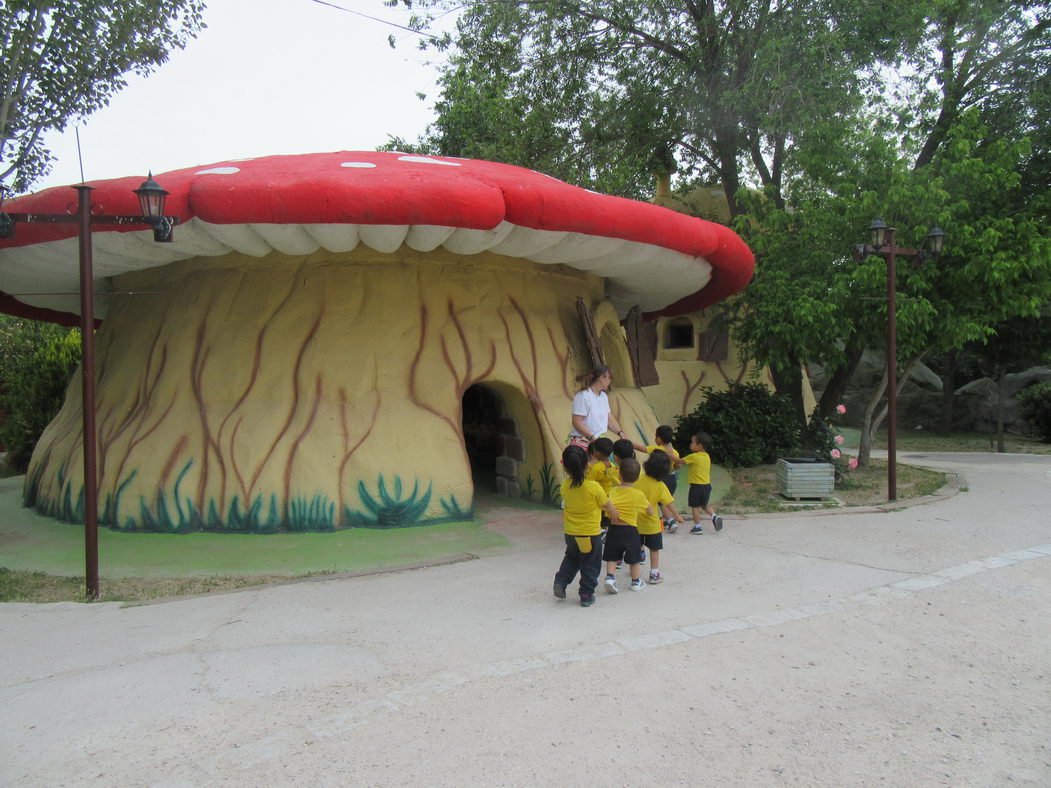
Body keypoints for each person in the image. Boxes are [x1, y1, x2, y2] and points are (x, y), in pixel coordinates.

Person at [554, 444, 619, 607]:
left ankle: (561, 582)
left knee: (571, 557)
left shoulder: (565, 486)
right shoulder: (594, 487)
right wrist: (615, 514)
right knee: (590, 562)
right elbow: (607, 505)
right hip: (590, 534)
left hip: (570, 533)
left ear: (566, 468)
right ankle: (586, 593)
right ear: (586, 465)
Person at [601, 458, 652, 593]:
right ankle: (635, 582)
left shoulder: (613, 491)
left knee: (612, 555)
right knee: (634, 557)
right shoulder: (638, 494)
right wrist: (649, 512)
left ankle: (610, 578)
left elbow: (607, 504)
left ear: (619, 476)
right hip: (630, 529)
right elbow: (649, 510)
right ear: (637, 479)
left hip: (614, 528)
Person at [633, 450, 685, 585]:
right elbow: (669, 503)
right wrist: (677, 516)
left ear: (647, 464)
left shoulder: (638, 479)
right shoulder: (661, 486)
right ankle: (654, 573)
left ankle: (635, 573)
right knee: (655, 549)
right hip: (652, 524)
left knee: (637, 546)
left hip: (636, 522)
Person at [631, 425, 681, 533]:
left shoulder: (656, 449)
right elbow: (678, 465)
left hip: (661, 479)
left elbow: (640, 448)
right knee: (666, 500)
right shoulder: (674, 452)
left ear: (658, 439)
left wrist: (627, 441)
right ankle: (667, 520)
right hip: (672, 479)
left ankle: (671, 521)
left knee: (660, 501)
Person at [567, 364, 627, 449]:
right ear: (602, 378)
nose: (610, 381)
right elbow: (576, 422)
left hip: (597, 441)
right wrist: (593, 439)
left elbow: (609, 418)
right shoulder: (583, 396)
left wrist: (621, 433)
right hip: (583, 442)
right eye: (609, 378)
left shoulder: (603, 396)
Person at [677, 432, 724, 535]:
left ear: (699, 446)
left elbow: (679, 460)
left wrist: (670, 455)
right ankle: (714, 516)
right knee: (704, 505)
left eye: (692, 442)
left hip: (696, 487)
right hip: (707, 486)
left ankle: (698, 527)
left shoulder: (694, 456)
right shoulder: (707, 456)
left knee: (695, 507)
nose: (690, 444)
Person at [586, 437, 616, 532]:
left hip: (598, 496)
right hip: (608, 495)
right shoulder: (612, 465)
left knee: (599, 515)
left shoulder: (596, 468)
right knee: (606, 517)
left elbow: (590, 483)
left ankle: (599, 532)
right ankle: (605, 530)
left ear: (597, 453)